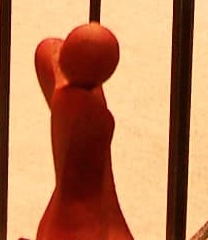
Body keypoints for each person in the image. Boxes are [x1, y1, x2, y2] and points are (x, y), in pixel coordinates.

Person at [33, 23, 133, 240]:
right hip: (83, 227)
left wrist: (69, 55)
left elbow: (48, 48)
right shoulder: (95, 115)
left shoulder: (65, 96)